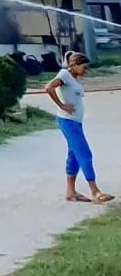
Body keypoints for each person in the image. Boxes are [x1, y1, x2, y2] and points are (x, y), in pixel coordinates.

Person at [45, 51, 111, 203]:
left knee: (74, 156)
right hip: (67, 121)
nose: (86, 71)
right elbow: (49, 87)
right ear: (74, 65)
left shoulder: (72, 77)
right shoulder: (64, 75)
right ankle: (95, 191)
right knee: (85, 154)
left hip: (75, 122)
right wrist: (62, 105)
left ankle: (71, 193)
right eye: (84, 67)